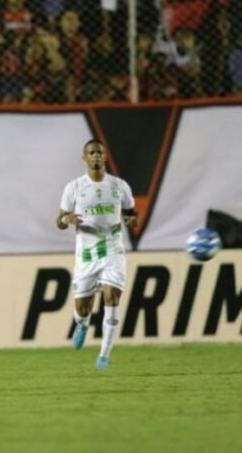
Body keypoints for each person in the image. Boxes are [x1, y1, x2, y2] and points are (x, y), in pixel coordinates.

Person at [56, 139, 138, 370]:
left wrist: (132, 219)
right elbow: (59, 220)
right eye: (91, 153)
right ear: (84, 157)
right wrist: (66, 219)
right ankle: (82, 323)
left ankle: (104, 355)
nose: (96, 156)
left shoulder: (119, 186)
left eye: (99, 152)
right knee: (83, 307)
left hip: (113, 248)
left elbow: (132, 212)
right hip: (87, 253)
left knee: (112, 299)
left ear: (105, 156)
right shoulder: (74, 187)